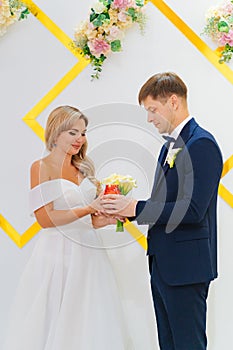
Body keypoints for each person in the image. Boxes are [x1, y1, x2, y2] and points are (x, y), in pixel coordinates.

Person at [101, 72, 223, 350]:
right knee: (168, 344)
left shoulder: (200, 144)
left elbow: (193, 210)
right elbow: (168, 204)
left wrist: (138, 208)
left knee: (188, 344)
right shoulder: (171, 146)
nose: (150, 118)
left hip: (186, 268)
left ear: (173, 101)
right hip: (164, 264)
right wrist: (128, 211)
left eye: (152, 110)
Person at [3, 105, 136, 350]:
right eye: (73, 133)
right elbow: (45, 218)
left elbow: (88, 221)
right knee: (54, 313)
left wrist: (104, 219)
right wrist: (89, 208)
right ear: (56, 133)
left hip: (90, 253)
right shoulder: (40, 167)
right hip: (57, 254)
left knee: (89, 312)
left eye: (83, 133)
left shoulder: (84, 167)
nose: (80, 139)